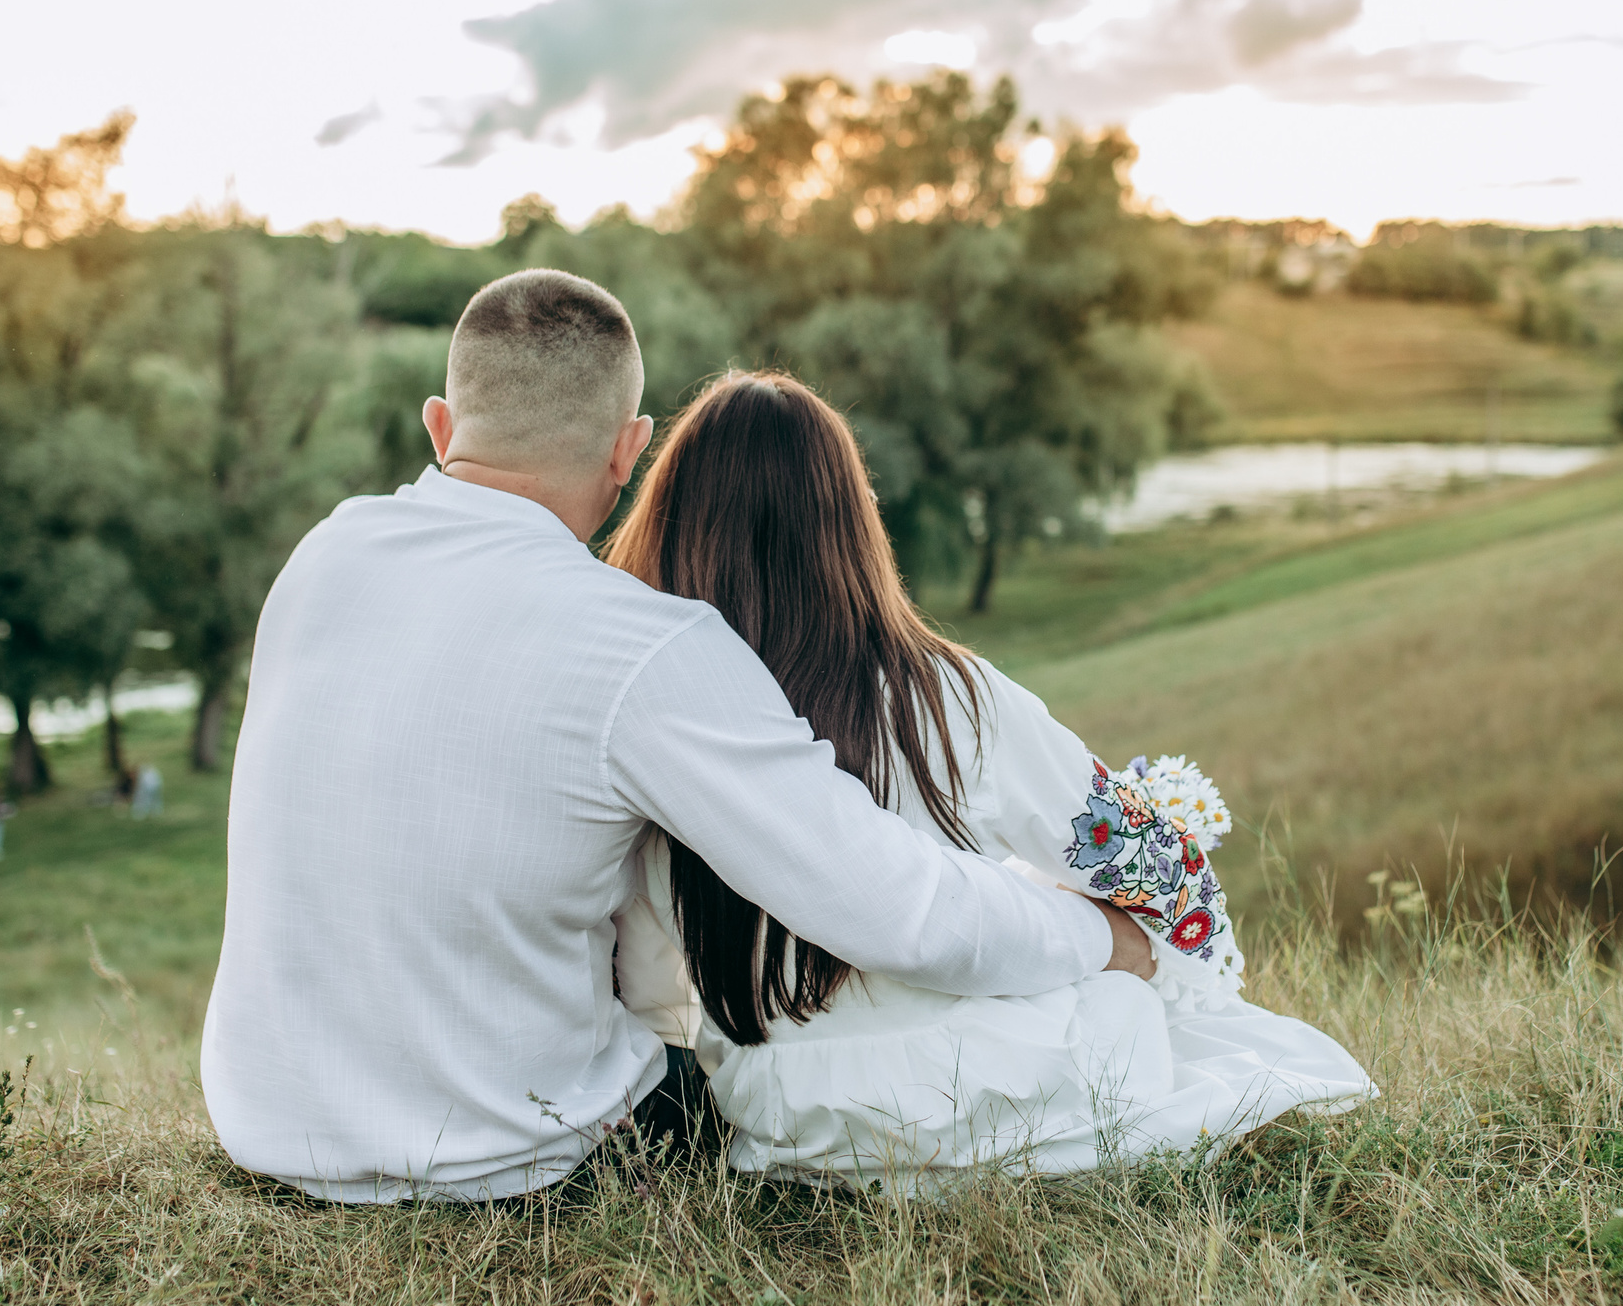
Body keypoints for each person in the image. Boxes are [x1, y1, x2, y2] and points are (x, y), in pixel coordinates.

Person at [200, 271, 1154, 1204]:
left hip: (271, 1129)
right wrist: (1095, 933)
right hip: (509, 1154)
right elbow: (896, 908)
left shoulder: (322, 556)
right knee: (742, 1088)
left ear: (439, 427)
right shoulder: (643, 646)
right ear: (628, 451)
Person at [608, 372, 1374, 1188]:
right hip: (989, 1089)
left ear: (676, 525)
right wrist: (1179, 956)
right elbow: (1125, 846)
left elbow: (656, 992)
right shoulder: (946, 698)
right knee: (1128, 995)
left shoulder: (662, 728)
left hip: (789, 1119)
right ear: (849, 524)